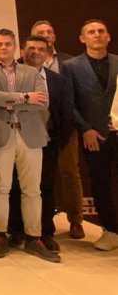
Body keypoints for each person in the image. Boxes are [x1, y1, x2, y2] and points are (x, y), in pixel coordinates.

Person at [0, 29, 59, 262]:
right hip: (1, 135)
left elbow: (42, 102)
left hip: (30, 135)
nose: (4, 48)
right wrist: (24, 98)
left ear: (15, 47)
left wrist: (8, 100)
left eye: (8, 44)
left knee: (32, 190)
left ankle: (34, 237)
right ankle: (0, 236)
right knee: (1, 188)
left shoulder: (31, 71)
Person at [8, 35, 74, 252]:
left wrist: (57, 141)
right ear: (23, 51)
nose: (35, 52)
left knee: (45, 186)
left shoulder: (57, 80)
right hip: (18, 138)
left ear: (47, 53)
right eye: (31, 48)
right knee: (17, 186)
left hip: (49, 141)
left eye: (40, 49)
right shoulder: (11, 76)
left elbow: (65, 113)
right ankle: (16, 230)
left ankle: (44, 231)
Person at [62, 19, 118, 251]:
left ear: (108, 36)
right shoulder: (72, 66)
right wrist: (85, 128)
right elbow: (69, 102)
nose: (97, 35)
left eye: (101, 31)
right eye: (91, 32)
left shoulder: (117, 62)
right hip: (94, 135)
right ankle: (111, 231)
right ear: (82, 38)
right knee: (101, 183)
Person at [30, 20, 84, 240]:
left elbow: (75, 96)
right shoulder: (23, 65)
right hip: (32, 132)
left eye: (49, 32)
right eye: (40, 33)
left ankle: (76, 220)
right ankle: (39, 224)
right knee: (39, 179)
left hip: (63, 128)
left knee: (69, 173)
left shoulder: (69, 62)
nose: (46, 35)